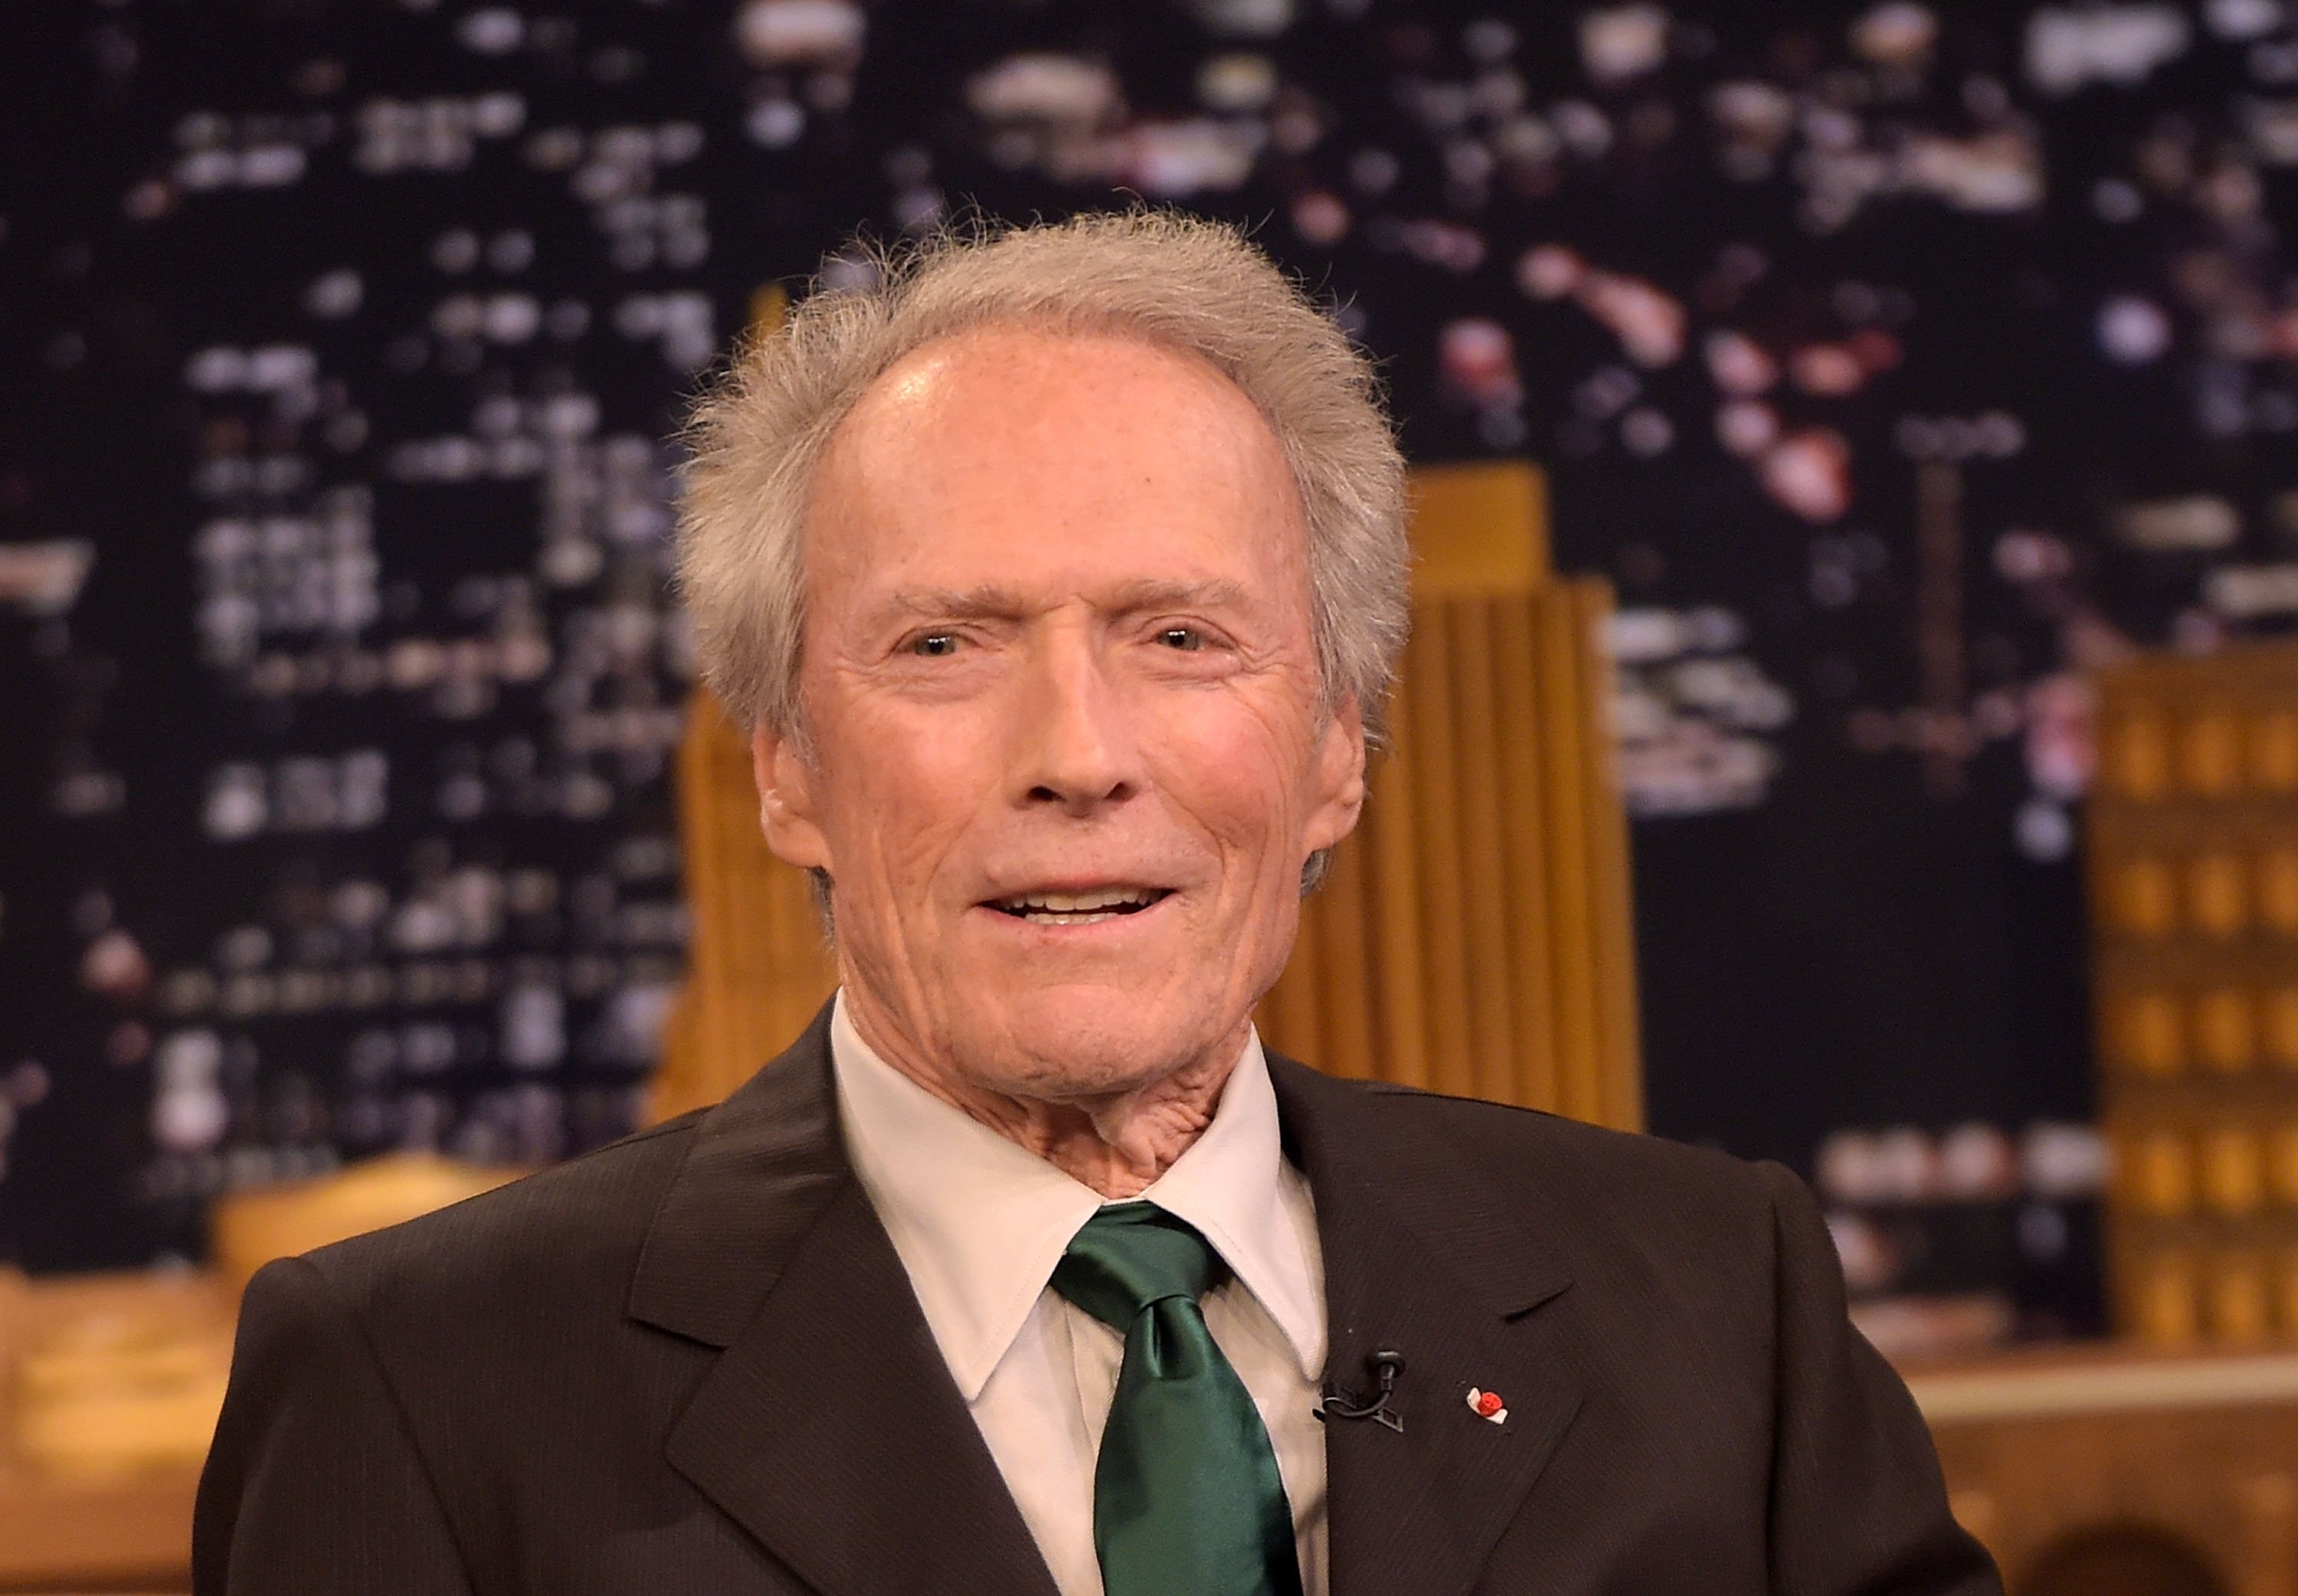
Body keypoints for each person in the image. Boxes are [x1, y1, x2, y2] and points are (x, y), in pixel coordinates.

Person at [195, 211, 2002, 1596]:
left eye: (1181, 636)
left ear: (1337, 752)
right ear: (787, 768)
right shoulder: (420, 1393)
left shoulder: (1713, 1307)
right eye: (944, 644)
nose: (1078, 752)